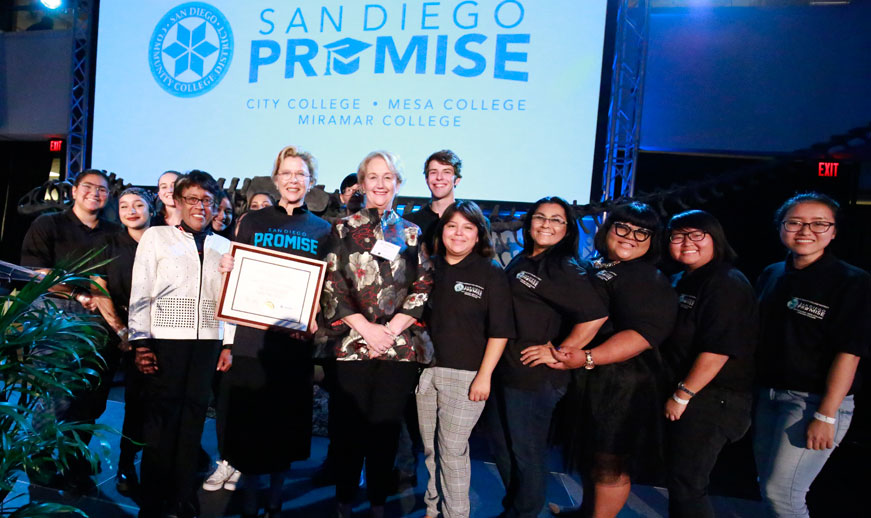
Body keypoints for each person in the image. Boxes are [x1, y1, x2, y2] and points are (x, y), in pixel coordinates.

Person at [213, 145, 332, 517]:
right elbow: (237, 276)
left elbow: (327, 287)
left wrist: (315, 317)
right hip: (253, 341)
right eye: (287, 173)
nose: (293, 180)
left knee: (285, 425)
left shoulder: (324, 230)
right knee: (250, 424)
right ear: (276, 178)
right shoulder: (251, 222)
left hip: (294, 344)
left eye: (301, 174)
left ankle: (276, 498)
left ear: (310, 181)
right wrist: (228, 265)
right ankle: (249, 496)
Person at [544, 202, 677, 518]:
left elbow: (644, 334)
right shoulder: (598, 264)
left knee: (610, 461)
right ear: (608, 229)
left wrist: (588, 356)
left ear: (651, 240)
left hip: (622, 383)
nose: (631, 237)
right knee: (592, 454)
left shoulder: (646, 277)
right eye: (623, 228)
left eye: (641, 232)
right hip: (592, 377)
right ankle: (586, 510)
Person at [321, 150, 433, 518]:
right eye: (373, 176)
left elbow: (423, 285)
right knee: (349, 429)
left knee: (386, 432)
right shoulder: (340, 228)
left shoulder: (413, 233)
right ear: (362, 182)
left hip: (398, 348)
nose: (381, 183)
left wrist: (390, 331)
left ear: (398, 183)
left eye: (388, 177)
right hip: (352, 345)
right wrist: (367, 330)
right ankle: (343, 502)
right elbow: (332, 285)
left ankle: (378, 504)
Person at [485, 196, 608, 518]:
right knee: (504, 450)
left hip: (535, 379)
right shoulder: (526, 258)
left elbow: (595, 316)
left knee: (526, 454)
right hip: (508, 370)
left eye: (556, 220)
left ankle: (525, 513)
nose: (546, 225)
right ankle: (514, 508)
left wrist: (560, 352)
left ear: (567, 229)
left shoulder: (564, 267)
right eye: (540, 217)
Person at [753, 192, 870, 518]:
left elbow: (850, 351)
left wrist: (827, 414)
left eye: (819, 224)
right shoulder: (772, 273)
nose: (806, 231)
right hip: (769, 396)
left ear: (833, 232)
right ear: (781, 227)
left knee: (783, 495)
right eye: (795, 222)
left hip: (813, 403)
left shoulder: (852, 281)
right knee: (768, 487)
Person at [128, 170, 232, 518]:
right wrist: (141, 343)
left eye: (207, 200)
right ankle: (154, 499)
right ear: (177, 201)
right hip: (165, 341)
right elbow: (141, 290)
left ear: (215, 206)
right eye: (192, 199)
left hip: (208, 344)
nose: (200, 206)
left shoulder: (224, 245)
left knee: (192, 422)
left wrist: (228, 343)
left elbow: (228, 300)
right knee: (161, 423)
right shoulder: (156, 237)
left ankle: (184, 496)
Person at [20, 168, 121, 492]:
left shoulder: (112, 232)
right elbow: (35, 272)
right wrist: (77, 292)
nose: (95, 193)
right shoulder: (48, 224)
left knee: (91, 399)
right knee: (55, 395)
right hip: (55, 317)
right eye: (89, 187)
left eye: (102, 189)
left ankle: (74, 459)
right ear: (75, 191)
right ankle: (38, 459)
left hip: (98, 322)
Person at [417, 200, 515, 518]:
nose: (458, 233)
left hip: (467, 377)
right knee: (431, 449)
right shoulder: (427, 267)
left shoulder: (491, 273)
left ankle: (456, 514)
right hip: (426, 373)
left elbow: (500, 331)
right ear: (441, 230)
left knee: (452, 451)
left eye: (467, 228)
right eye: (452, 226)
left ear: (478, 235)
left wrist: (484, 376)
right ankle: (433, 509)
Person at [660, 210, 757, 518]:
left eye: (696, 235)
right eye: (678, 236)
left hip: (714, 399)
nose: (686, 242)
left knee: (688, 483)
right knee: (679, 480)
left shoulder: (726, 283)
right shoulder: (682, 279)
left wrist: (682, 395)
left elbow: (718, 350)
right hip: (692, 394)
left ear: (715, 238)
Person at [91, 187, 156, 495]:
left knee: (157, 404)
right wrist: (122, 331)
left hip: (162, 334)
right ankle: (126, 466)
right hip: (123, 335)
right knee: (134, 405)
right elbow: (99, 289)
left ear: (151, 208)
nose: (131, 211)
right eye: (125, 206)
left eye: (138, 204)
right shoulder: (109, 243)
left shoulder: (164, 241)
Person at [404, 149, 463, 253]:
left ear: (457, 180)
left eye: (446, 172)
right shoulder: (409, 223)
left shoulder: (473, 222)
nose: (439, 177)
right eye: (433, 172)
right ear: (427, 180)